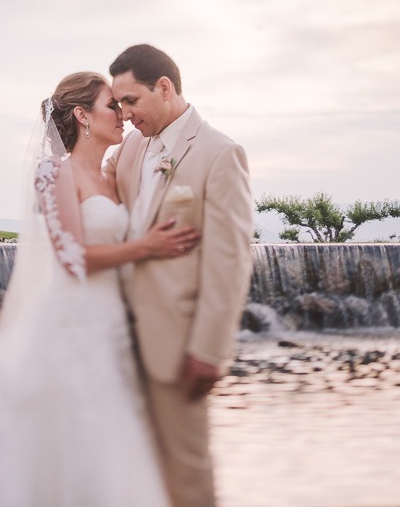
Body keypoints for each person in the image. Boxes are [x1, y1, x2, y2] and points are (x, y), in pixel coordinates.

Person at [0, 72, 200, 507]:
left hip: (112, 323)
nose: (122, 115)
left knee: (114, 438)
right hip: (72, 321)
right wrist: (148, 247)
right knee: (70, 436)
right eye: (111, 106)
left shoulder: (112, 178)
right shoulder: (54, 172)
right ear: (82, 115)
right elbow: (72, 256)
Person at [106, 44, 254, 507]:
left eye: (131, 101)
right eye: (118, 104)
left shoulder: (219, 153)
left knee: (188, 474)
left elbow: (229, 262)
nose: (125, 114)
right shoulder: (131, 147)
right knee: (136, 474)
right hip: (115, 341)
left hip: (177, 343)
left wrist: (209, 349)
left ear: (164, 88)